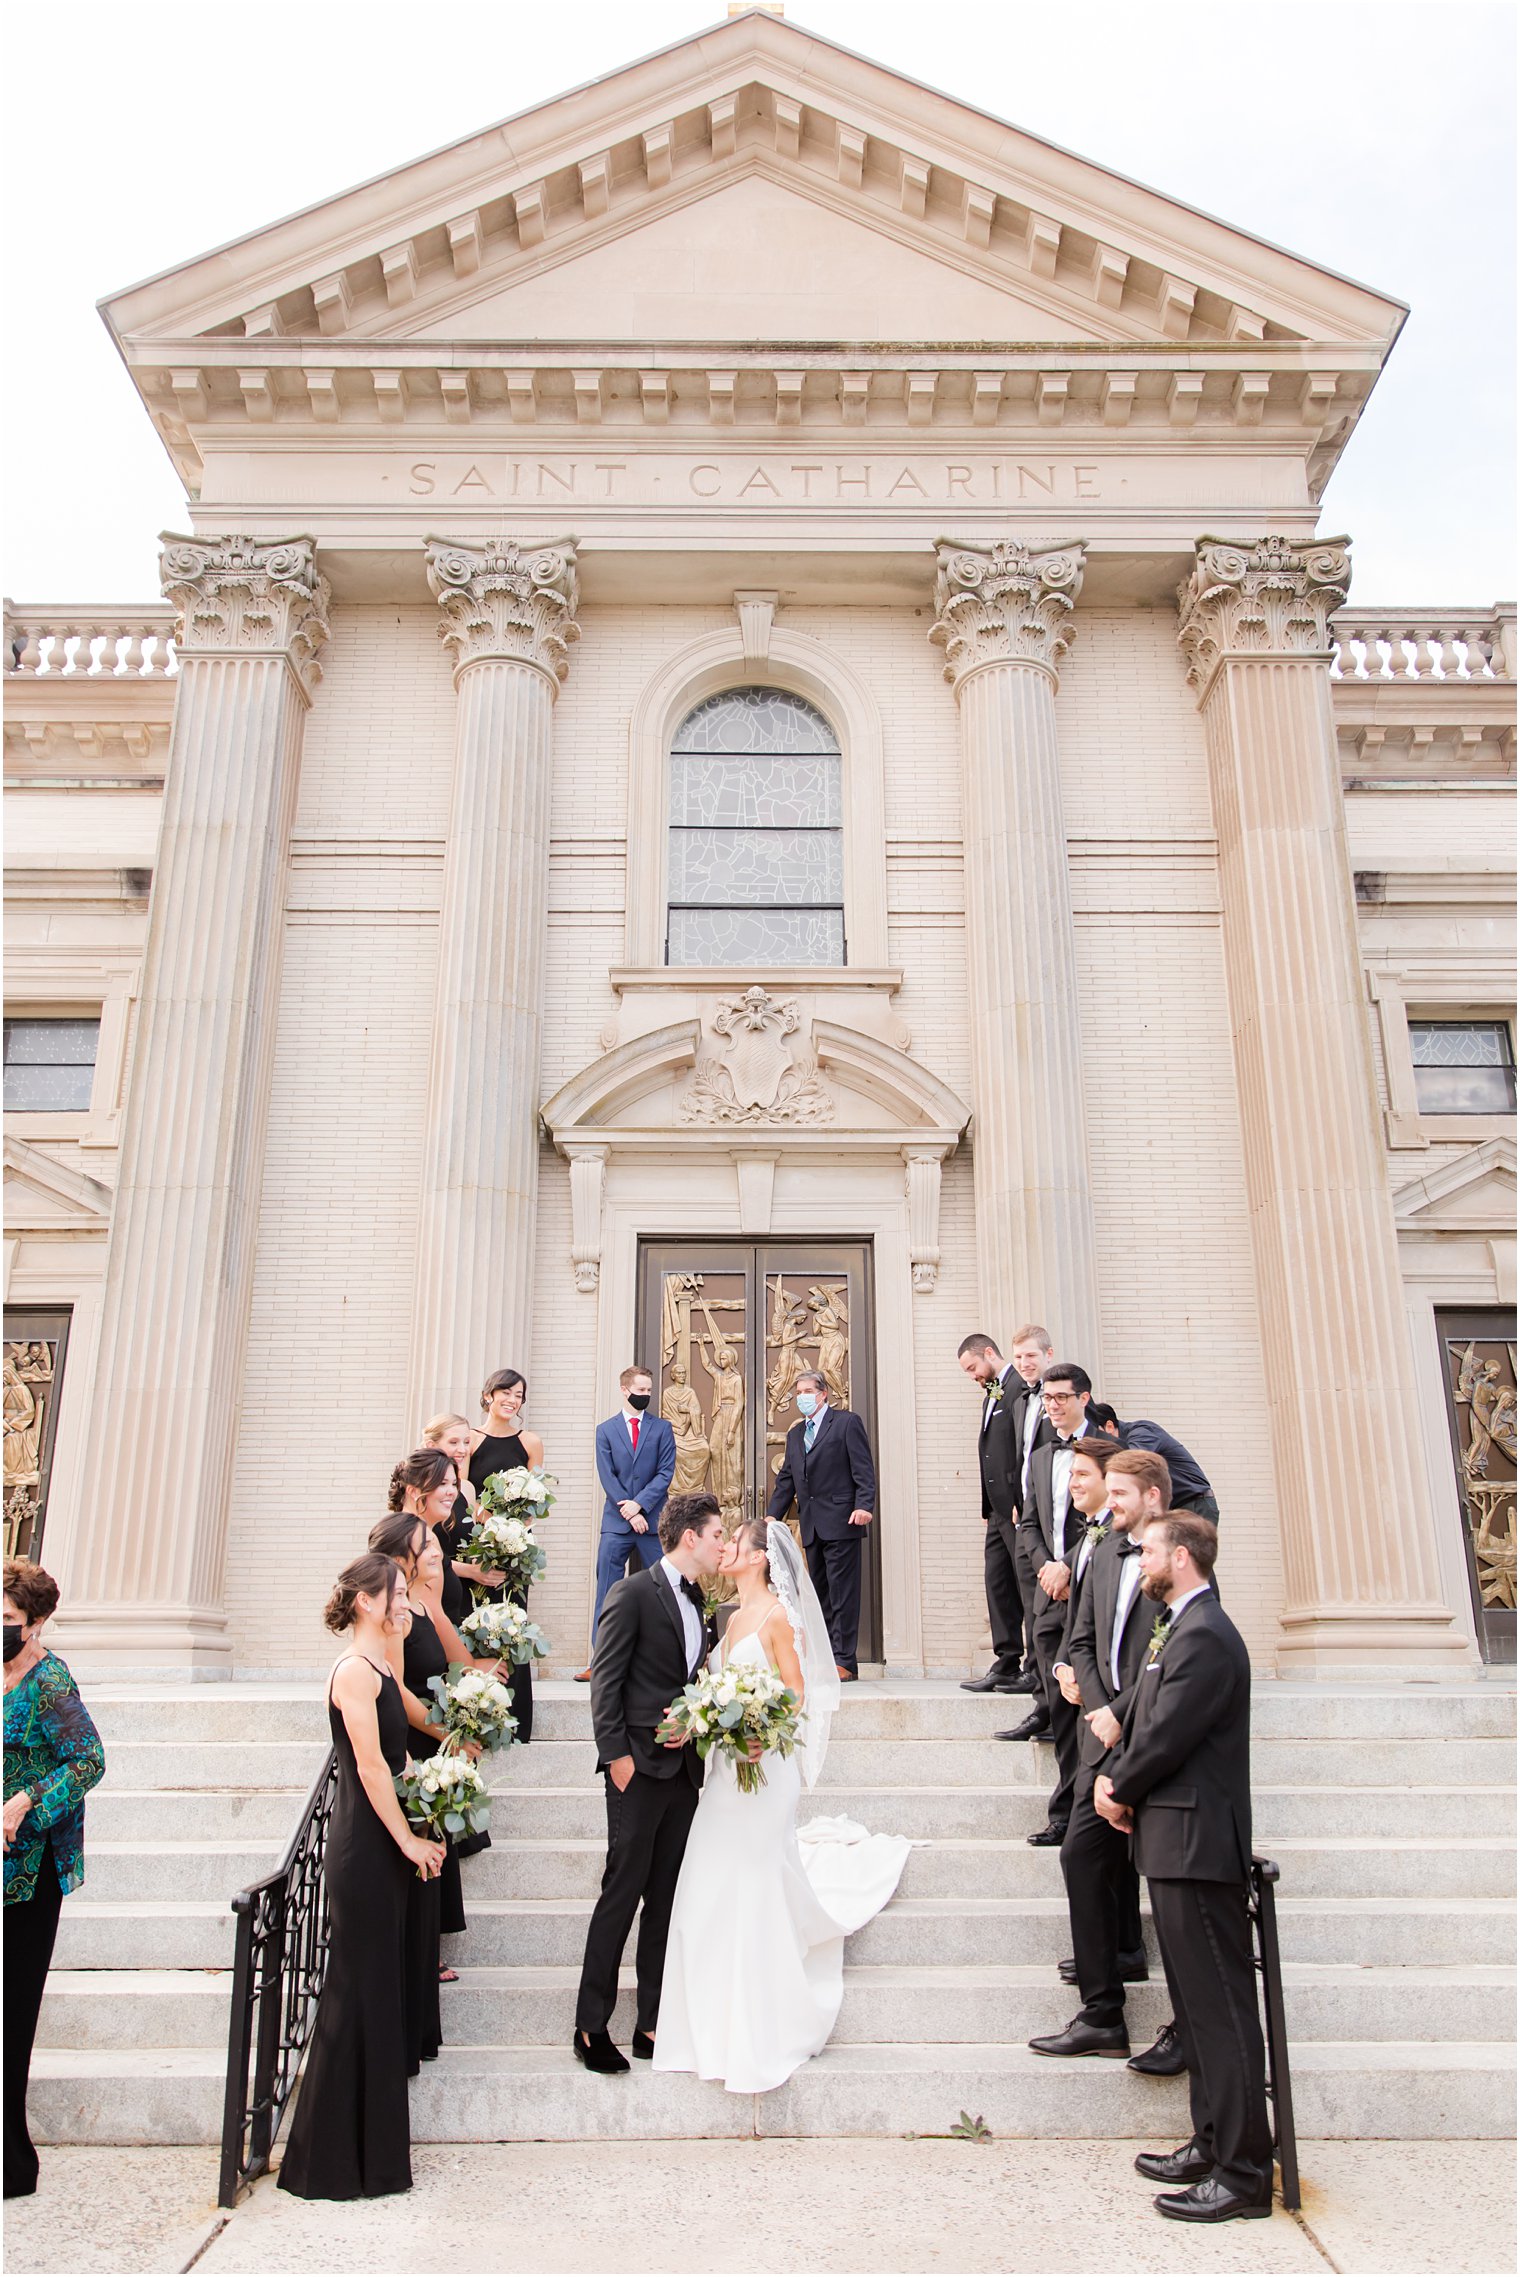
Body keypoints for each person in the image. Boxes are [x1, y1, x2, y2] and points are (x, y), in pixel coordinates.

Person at [654, 1515, 911, 2093]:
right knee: (709, 1877)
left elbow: (798, 1695)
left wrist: (758, 1734)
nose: (725, 1551)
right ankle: (706, 2019)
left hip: (765, 1769)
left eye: (735, 1543)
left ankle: (766, 2017)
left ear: (758, 1557)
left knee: (756, 1875)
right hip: (725, 1772)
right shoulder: (728, 1618)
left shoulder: (776, 1617)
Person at [1096, 1513, 1272, 2224]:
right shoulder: (1183, 1627)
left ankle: (1243, 2171)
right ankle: (1209, 2141)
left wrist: (1118, 1783)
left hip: (1199, 1850)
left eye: (1149, 1551)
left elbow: (1167, 1734)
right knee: (1197, 2012)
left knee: (1222, 2012)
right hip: (1174, 1843)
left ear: (1184, 1558)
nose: (1140, 1560)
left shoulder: (1205, 1635)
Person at [278, 1553, 445, 2202]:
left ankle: (374, 2160)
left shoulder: (381, 1664)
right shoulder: (352, 1671)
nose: (405, 1599)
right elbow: (373, 1768)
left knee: (378, 1995)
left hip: (387, 1840)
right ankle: (323, 2162)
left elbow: (405, 1751)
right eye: (397, 1592)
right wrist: (405, 1838)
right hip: (364, 1845)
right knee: (353, 1994)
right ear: (367, 1602)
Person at [573, 1492, 725, 2073]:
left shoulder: (703, 1604)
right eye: (716, 1535)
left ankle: (650, 2023)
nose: (720, 1545)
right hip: (636, 1768)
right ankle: (591, 2026)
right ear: (691, 1537)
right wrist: (616, 1758)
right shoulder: (632, 1592)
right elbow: (605, 1681)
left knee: (664, 1900)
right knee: (622, 1893)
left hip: (684, 1774)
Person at [1032, 1447, 1168, 2061]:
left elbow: (1174, 1654)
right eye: (1106, 1493)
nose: (1107, 1505)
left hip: (1153, 1738)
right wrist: (1083, 1686)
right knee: (1081, 1855)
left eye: (1119, 1495)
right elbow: (1084, 1632)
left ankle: (1142, 1992)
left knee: (1150, 1873)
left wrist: (1124, 1710)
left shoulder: (1176, 1559)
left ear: (1152, 1497)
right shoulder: (1107, 1551)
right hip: (1100, 1733)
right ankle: (1102, 2012)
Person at [3, 1559, 105, 2200]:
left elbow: (89, 1760)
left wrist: (26, 1803)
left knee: (12, 2014)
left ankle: (13, 2163)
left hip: (28, 1871)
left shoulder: (50, 1682)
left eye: (9, 1622)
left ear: (37, 1623)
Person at [1003, 1361, 1094, 1842]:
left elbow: (1113, 1518)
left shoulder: (1109, 1448)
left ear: (1083, 1397)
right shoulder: (1040, 1457)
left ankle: (1084, 1810)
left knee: (1089, 1703)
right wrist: (1045, 1566)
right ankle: (1065, 1811)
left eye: (1061, 1397)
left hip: (1091, 1592)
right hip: (1049, 1593)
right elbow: (1031, 1522)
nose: (1052, 1405)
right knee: (1059, 1706)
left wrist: (1069, 1565)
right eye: (1048, 1398)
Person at [767, 1371, 877, 1679]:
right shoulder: (794, 1434)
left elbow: (863, 1470)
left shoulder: (846, 1423)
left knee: (843, 1593)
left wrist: (864, 1506)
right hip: (812, 1526)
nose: (802, 1396)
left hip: (843, 1521)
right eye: (798, 1391)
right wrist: (771, 1515)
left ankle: (845, 1661)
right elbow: (786, 1479)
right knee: (821, 1594)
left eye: (807, 1390)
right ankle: (826, 1657)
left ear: (823, 1393)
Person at [955, 1334, 1039, 1697]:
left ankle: (1035, 1669)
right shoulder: (993, 1390)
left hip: (1017, 1507)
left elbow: (1027, 1447)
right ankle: (1006, 1662)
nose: (973, 1375)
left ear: (989, 1353)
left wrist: (1022, 1499)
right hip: (997, 1510)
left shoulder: (1020, 1388)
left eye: (973, 1367)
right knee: (998, 1583)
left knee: (1028, 1586)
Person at [468, 1369, 544, 1744]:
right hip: (478, 1546)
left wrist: (514, 1532)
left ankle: (516, 1718)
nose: (512, 1400)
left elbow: (536, 1502)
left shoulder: (530, 1442)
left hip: (515, 1549)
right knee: (476, 1625)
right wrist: (489, 1525)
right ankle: (474, 1708)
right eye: (506, 1392)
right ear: (488, 1395)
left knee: (513, 1625)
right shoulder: (469, 1440)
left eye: (519, 1395)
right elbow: (464, 1495)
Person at [586, 1364, 677, 1667]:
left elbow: (665, 1473)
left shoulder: (662, 1428)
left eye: (648, 1391)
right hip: (616, 1523)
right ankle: (601, 1658)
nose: (645, 1395)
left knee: (664, 1586)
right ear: (625, 1390)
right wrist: (628, 1510)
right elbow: (607, 1476)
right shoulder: (605, 1431)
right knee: (608, 1588)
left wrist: (640, 1506)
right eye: (640, 1390)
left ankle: (665, 1655)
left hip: (652, 1522)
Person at [1094, 1408, 1219, 1522]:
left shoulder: (1141, 1432)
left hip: (1194, 1504)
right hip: (1174, 1508)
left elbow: (1131, 1462)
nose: (1096, 1442)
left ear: (1109, 1426)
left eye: (1097, 1435)